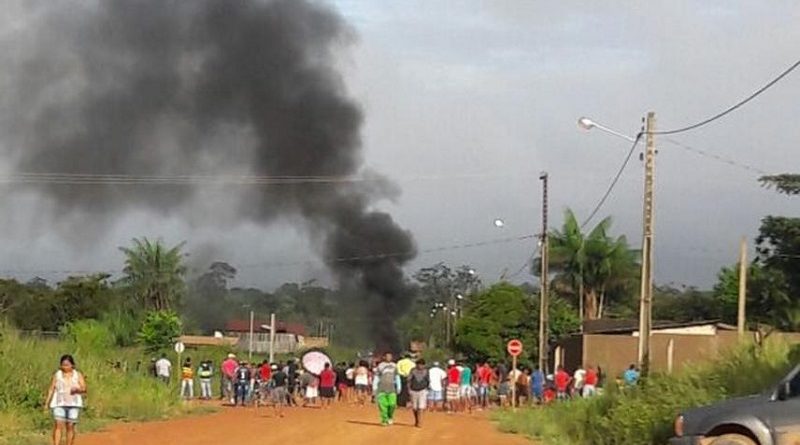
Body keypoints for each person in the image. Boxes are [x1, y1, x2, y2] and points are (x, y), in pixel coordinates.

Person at [45, 354, 87, 445]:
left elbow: (84, 388)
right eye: (63, 365)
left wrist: (77, 390)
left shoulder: (77, 375)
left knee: (70, 426)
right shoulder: (57, 375)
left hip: (73, 404)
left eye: (67, 365)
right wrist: (47, 403)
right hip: (59, 403)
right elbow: (51, 388)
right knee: (58, 424)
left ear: (72, 365)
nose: (65, 367)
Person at [373, 352, 401, 426]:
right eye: (387, 356)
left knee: (392, 404)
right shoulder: (380, 366)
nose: (389, 358)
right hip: (382, 388)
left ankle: (390, 416)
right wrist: (374, 387)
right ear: (384, 357)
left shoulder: (394, 366)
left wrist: (399, 386)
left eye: (390, 356)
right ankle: (384, 420)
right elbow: (377, 377)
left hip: (392, 389)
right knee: (383, 406)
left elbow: (397, 377)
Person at [408, 359, 430, 427]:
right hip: (413, 390)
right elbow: (409, 380)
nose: (420, 366)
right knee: (414, 407)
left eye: (422, 364)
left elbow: (428, 381)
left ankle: (419, 422)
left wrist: (427, 388)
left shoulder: (426, 371)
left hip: (422, 390)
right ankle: (416, 420)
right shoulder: (413, 371)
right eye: (419, 364)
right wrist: (409, 389)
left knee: (420, 407)